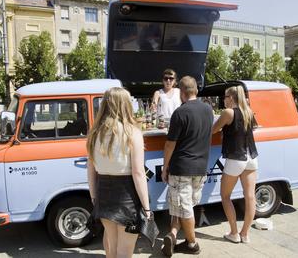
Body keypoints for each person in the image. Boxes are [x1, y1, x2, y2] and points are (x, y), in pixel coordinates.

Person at [87, 87, 150, 258]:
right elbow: (138, 173)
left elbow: (91, 168)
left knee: (111, 248)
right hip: (127, 197)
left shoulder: (94, 133)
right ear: (125, 105)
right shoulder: (133, 133)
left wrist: (94, 196)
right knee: (124, 252)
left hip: (103, 194)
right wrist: (147, 207)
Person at [161, 76, 214, 256]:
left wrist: (164, 167)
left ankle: (192, 244)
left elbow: (169, 145)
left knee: (184, 208)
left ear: (181, 93)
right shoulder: (208, 110)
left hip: (182, 167)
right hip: (201, 167)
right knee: (184, 205)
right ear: (196, 91)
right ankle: (173, 234)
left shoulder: (180, 113)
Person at [212, 85, 259, 244]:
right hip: (251, 157)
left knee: (225, 196)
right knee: (250, 197)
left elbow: (213, 130)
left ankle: (234, 233)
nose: (223, 100)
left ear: (231, 98)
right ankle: (245, 234)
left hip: (235, 158)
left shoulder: (228, 112)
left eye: (225, 97)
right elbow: (255, 127)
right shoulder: (249, 111)